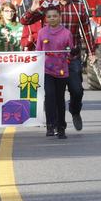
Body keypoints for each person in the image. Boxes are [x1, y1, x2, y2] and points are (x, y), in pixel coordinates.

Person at [20, 0, 95, 132]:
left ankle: (75, 111)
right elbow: (25, 21)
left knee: (77, 90)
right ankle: (53, 123)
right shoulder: (48, 4)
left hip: (71, 58)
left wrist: (92, 53)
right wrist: (33, 9)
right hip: (51, 60)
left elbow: (87, 32)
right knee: (52, 94)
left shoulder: (78, 6)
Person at [37, 7, 72, 139]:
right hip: (47, 69)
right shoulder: (42, 32)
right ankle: (50, 124)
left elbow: (70, 50)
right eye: (49, 16)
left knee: (59, 99)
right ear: (46, 18)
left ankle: (61, 126)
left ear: (60, 17)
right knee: (49, 96)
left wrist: (71, 54)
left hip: (61, 70)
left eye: (55, 16)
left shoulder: (66, 33)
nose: (52, 18)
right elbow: (38, 51)